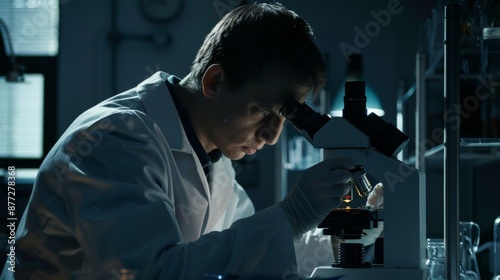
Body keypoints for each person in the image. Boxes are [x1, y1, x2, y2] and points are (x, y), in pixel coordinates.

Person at [1, 3, 376, 279]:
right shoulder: (116, 137)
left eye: (285, 119)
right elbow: (151, 274)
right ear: (214, 82)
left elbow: (238, 252)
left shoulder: (215, 159)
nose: (272, 136)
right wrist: (291, 214)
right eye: (264, 112)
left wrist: (344, 239)